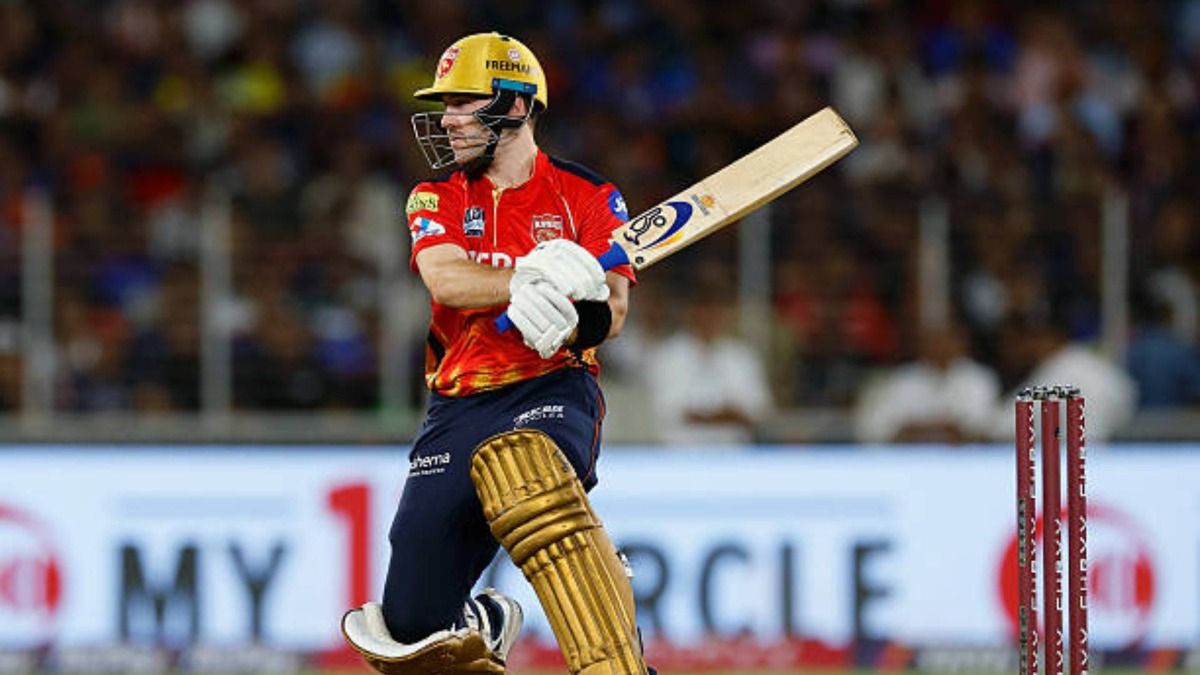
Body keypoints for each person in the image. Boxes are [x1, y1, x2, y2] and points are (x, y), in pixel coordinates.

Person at [340, 33, 653, 675]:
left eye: (463, 103)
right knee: (411, 631)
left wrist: (572, 316)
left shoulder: (590, 196)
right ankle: (483, 622)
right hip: (457, 404)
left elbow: (612, 314)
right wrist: (527, 279)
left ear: (514, 106)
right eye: (446, 105)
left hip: (551, 389)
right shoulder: (438, 196)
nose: (448, 119)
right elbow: (446, 279)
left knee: (528, 475)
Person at [647, 290, 771, 445]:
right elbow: (669, 412)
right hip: (680, 456)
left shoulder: (742, 356)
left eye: (715, 312)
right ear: (690, 314)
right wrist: (725, 415)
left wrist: (704, 416)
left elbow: (758, 411)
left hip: (734, 454)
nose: (709, 318)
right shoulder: (667, 355)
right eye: (703, 311)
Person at [854, 323, 1000, 443]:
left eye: (946, 341)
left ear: (961, 344)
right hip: (908, 463)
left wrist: (925, 430)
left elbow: (984, 428)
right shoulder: (902, 380)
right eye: (934, 342)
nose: (940, 347)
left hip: (966, 463)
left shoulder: (978, 378)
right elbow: (874, 429)